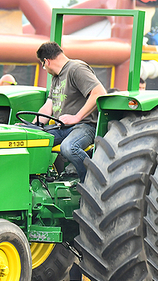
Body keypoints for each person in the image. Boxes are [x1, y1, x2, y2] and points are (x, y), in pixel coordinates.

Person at [35, 41, 106, 182]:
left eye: (42, 65)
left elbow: (99, 93)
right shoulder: (56, 77)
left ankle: (93, 185)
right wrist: (31, 127)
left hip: (84, 126)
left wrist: (76, 117)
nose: (44, 68)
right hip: (61, 128)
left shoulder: (76, 69)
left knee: (68, 148)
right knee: (32, 141)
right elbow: (49, 106)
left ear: (46, 61)